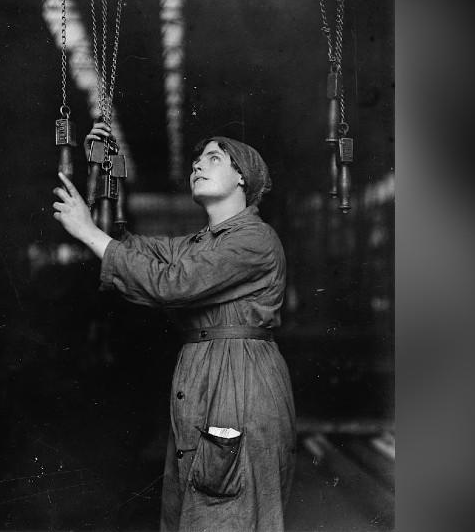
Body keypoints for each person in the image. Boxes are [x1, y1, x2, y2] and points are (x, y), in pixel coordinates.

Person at [52, 122, 296, 532]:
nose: (198, 165)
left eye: (213, 158)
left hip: (238, 382)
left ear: (242, 177)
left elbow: (171, 283)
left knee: (227, 505)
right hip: (208, 375)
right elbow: (132, 247)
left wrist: (89, 232)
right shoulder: (203, 241)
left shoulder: (255, 239)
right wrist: (103, 167)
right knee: (202, 499)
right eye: (197, 160)